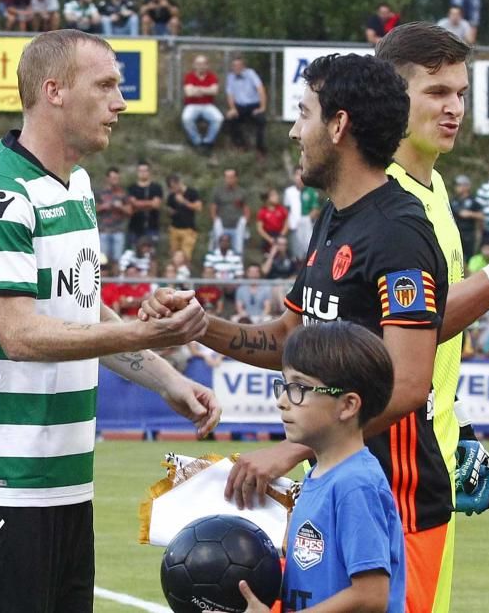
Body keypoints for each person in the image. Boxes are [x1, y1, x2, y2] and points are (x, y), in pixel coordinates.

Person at [142, 53, 453, 613]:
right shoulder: (333, 218)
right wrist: (199, 325)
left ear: (339, 127)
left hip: (396, 504)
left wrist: (291, 449)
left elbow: (407, 383)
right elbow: (292, 335)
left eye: (303, 113)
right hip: (331, 487)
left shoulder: (400, 234)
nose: (292, 130)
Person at [0, 30, 220, 613]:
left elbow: (80, 313)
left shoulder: (77, 186)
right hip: (2, 481)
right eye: (107, 85)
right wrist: (145, 332)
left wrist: (169, 379)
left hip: (67, 481)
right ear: (54, 91)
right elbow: (21, 334)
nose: (121, 102)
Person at [376, 22, 489, 610]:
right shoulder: (388, 202)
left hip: (431, 455)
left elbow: (431, 344)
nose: (454, 108)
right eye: (436, 92)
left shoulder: (435, 189)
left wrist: (457, 428)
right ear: (392, 96)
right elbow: (416, 323)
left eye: (460, 94)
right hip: (394, 468)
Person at [237, 321, 405, 612]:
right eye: (284, 386)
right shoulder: (319, 476)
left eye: (299, 388)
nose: (282, 401)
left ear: (348, 405)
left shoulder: (355, 484)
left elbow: (371, 596)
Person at [225, 55, 268, 156]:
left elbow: (260, 89)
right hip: (239, 107)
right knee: (230, 119)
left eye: (238, 65)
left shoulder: (251, 74)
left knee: (261, 120)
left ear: (243, 66)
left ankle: (260, 149)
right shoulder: (230, 77)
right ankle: (240, 145)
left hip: (253, 105)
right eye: (234, 66)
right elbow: (230, 95)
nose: (236, 68)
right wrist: (232, 108)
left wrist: (262, 107)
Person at [181, 55, 223, 152]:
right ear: (194, 65)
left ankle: (208, 142)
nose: (201, 66)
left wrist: (197, 89)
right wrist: (206, 90)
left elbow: (214, 91)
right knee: (186, 118)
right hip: (192, 105)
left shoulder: (212, 76)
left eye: (203, 64)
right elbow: (189, 93)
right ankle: (197, 142)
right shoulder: (189, 76)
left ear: (207, 65)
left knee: (218, 118)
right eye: (198, 64)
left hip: (207, 105)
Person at [210, 168, 251, 255]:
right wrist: (215, 220)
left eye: (231, 177)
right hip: (222, 225)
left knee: (238, 250)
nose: (229, 180)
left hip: (237, 226)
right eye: (227, 177)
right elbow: (213, 207)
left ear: (236, 178)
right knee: (219, 248)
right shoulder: (218, 191)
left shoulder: (242, 192)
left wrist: (245, 221)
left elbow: (246, 208)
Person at [284, 166, 321, 261]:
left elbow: (316, 209)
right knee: (296, 255)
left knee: (308, 251)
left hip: (307, 226)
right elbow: (287, 210)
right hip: (293, 228)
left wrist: (305, 220)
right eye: (297, 174)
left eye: (301, 174)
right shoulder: (289, 192)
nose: (299, 177)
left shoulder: (311, 191)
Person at [96, 167, 131, 263]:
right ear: (107, 179)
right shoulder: (100, 193)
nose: (114, 180)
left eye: (116, 178)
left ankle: (116, 277)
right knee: (102, 261)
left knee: (117, 260)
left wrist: (120, 207)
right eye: (112, 178)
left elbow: (129, 211)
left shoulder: (123, 194)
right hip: (104, 231)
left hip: (118, 231)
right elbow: (93, 209)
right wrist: (104, 206)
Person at [126, 160, 163, 248]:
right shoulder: (132, 188)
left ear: (149, 172)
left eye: (145, 170)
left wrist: (138, 204)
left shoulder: (156, 188)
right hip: (135, 227)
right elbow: (131, 205)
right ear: (137, 172)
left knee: (151, 255)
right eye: (140, 171)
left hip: (152, 227)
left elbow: (156, 205)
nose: (143, 173)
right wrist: (150, 203)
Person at [166, 173, 202, 260]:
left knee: (186, 256)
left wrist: (184, 202)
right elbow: (169, 208)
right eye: (171, 188)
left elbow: (199, 207)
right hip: (174, 228)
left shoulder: (192, 192)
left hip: (188, 229)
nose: (173, 190)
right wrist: (170, 212)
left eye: (174, 187)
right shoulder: (171, 196)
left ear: (179, 183)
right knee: (174, 256)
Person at [450, 174, 483, 262]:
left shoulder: (473, 201)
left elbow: (482, 215)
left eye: (459, 185)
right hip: (455, 232)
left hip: (469, 233)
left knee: (469, 257)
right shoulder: (453, 201)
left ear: (466, 186)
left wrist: (470, 214)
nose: (457, 187)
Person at [256, 188, 289, 253]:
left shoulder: (281, 209)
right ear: (267, 199)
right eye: (273, 195)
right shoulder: (262, 211)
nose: (277, 197)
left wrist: (281, 235)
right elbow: (260, 229)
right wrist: (269, 239)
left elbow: (286, 224)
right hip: (268, 237)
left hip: (279, 236)